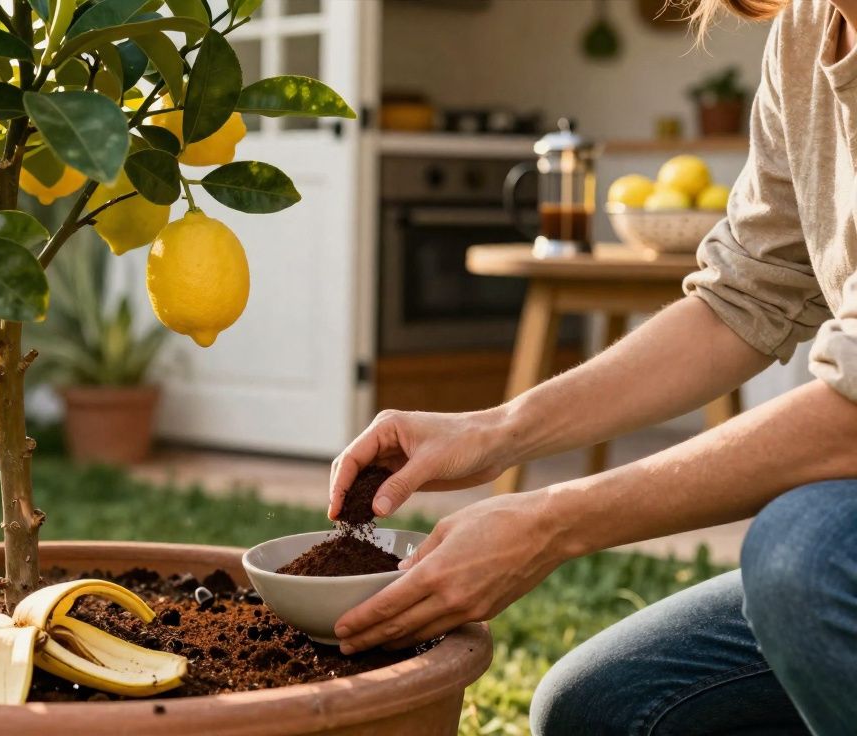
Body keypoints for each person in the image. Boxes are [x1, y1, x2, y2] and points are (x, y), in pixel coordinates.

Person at [326, 1, 857, 733]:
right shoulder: (807, 31)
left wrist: (552, 522)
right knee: (603, 709)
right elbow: (744, 297)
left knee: (804, 551)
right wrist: (495, 429)